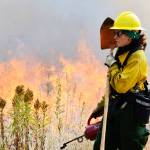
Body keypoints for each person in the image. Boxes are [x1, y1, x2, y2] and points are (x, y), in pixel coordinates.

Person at [90, 11, 150, 150]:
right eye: (115, 32)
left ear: (130, 36)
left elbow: (121, 86)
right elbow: (112, 87)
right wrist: (100, 106)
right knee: (101, 146)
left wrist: (113, 65)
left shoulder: (138, 57)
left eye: (118, 33)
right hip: (115, 107)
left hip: (130, 112)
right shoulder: (121, 52)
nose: (115, 37)